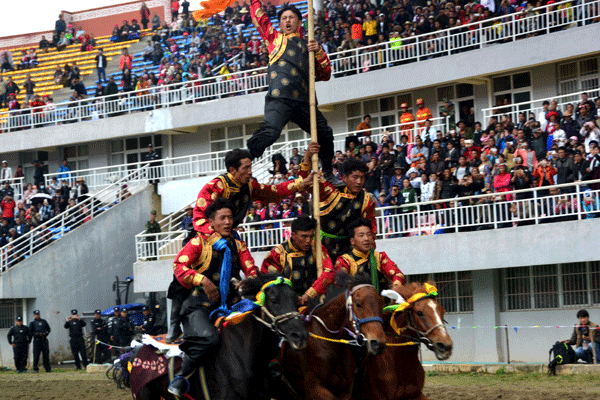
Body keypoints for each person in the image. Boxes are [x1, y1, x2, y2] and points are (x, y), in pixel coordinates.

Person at [167, 199, 259, 397]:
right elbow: (179, 267)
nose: (227, 222)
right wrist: (202, 280)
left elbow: (251, 271)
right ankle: (181, 377)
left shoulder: (238, 245)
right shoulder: (198, 242)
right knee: (209, 340)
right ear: (210, 222)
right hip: (198, 306)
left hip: (231, 306)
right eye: (222, 218)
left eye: (230, 218)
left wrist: (250, 283)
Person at [246, 0, 340, 186]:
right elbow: (260, 18)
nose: (287, 21)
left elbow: (325, 75)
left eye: (291, 17)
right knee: (270, 133)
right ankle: (245, 160)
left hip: (304, 101)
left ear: (299, 22)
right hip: (279, 99)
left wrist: (319, 52)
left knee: (325, 133)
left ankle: (328, 172)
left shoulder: (309, 45)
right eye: (284, 18)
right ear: (280, 24)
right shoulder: (275, 39)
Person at [191, 148, 313, 238]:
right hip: (204, 239)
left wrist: (301, 183)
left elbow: (274, 191)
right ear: (232, 170)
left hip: (228, 237)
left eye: (250, 167)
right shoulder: (215, 187)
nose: (250, 172)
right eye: (246, 168)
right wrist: (215, 238)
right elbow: (199, 217)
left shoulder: (250, 186)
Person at [299, 144, 377, 260]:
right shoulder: (330, 190)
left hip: (349, 251)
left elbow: (371, 227)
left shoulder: (366, 199)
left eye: (362, 178)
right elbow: (305, 179)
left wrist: (370, 245)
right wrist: (307, 156)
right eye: (355, 177)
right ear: (344, 177)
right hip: (322, 249)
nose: (359, 182)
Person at [261, 215, 336, 305]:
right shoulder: (277, 254)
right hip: (287, 304)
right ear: (293, 235)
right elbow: (269, 283)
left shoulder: (317, 247)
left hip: (314, 299)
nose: (308, 240)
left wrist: (310, 294)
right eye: (304, 236)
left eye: (311, 236)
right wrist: (292, 297)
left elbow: (329, 271)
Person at [334, 218, 405, 291]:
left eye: (369, 235)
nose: (366, 238)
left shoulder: (379, 256)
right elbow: (340, 282)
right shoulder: (344, 260)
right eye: (361, 235)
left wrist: (396, 286)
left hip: (380, 297)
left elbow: (397, 273)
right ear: (352, 241)